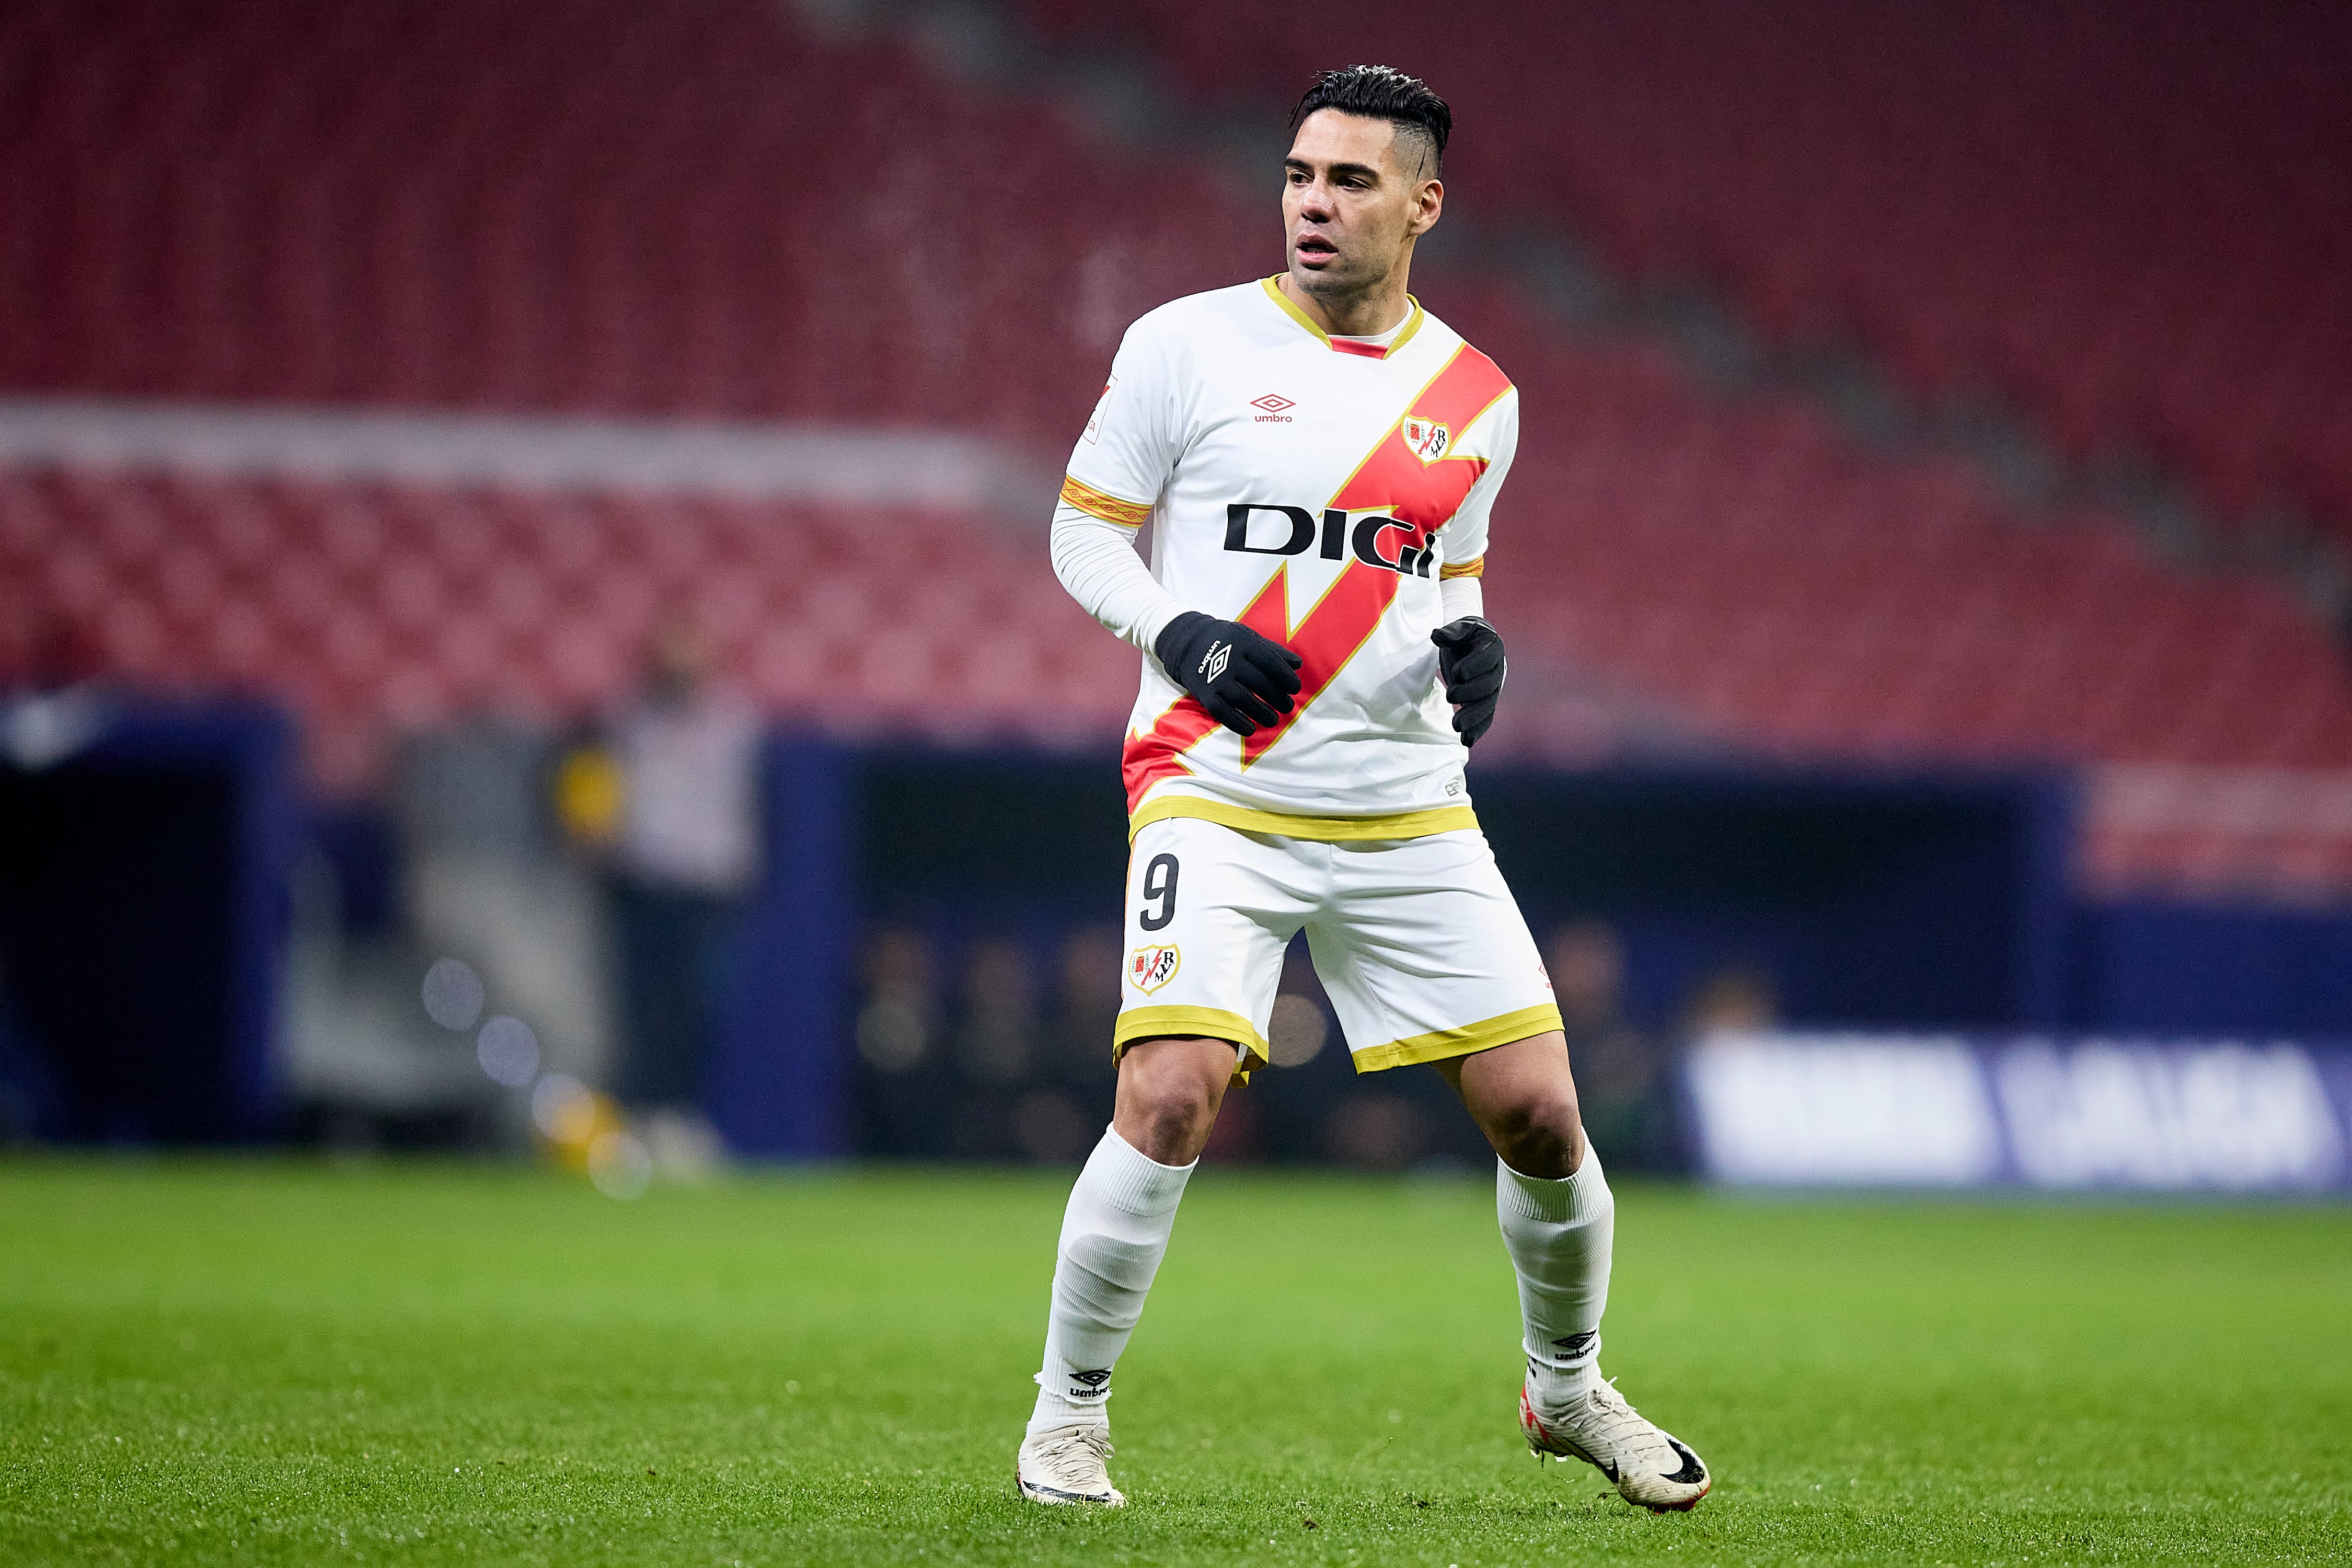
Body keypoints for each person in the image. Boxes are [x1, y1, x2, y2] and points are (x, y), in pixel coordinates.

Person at [1016, 66, 1709, 1513]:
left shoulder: (1476, 399)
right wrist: (1177, 630)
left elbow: (1445, 579)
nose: (1310, 205)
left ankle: (1568, 1388)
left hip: (1404, 797)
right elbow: (1084, 536)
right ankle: (1067, 1415)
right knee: (1171, 1092)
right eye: (1295, 176)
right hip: (1218, 782)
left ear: (1422, 204)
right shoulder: (1184, 345)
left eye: (1344, 182)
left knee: (1540, 1115)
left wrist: (1474, 656)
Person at [567, 620, 761, 1171]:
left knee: (697, 1008)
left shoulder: (734, 723)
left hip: (708, 889)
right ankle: (636, 1123)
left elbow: (755, 805)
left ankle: (682, 1119)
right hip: (643, 884)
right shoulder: (622, 722)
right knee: (638, 1009)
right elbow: (588, 797)